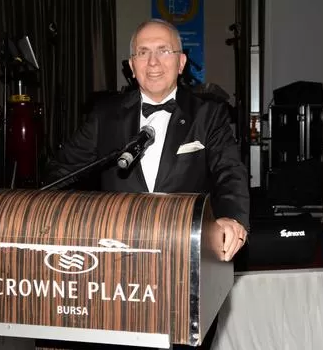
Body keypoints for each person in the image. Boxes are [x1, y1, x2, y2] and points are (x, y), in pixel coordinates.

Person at [41, 18, 250, 350]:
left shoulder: (208, 115)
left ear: (181, 62)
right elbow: (61, 174)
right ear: (131, 65)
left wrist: (232, 218)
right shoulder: (105, 116)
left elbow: (230, 173)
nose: (153, 62)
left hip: (185, 269)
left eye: (163, 51)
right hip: (115, 276)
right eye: (143, 52)